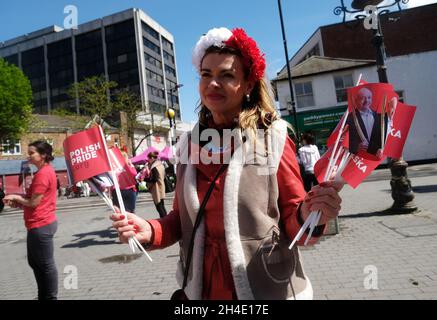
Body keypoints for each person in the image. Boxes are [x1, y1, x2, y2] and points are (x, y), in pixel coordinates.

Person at [111, 27, 342, 300]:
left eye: (227, 75)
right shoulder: (188, 144)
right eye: (206, 75)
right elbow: (182, 220)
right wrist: (151, 229)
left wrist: (311, 213)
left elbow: (294, 225)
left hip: (263, 288)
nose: (213, 83)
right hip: (202, 290)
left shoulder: (273, 138)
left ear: (247, 85)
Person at [3, 140, 58, 300]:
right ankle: (44, 295)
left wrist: (15, 197)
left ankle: (50, 297)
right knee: (35, 263)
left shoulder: (43, 174)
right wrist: (19, 203)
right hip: (38, 223)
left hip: (41, 224)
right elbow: (32, 201)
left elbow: (34, 203)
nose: (28, 156)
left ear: (44, 155)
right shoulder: (44, 172)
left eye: (31, 153)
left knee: (46, 265)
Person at [348, 87, 383, 156]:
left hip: (377, 156)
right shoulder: (350, 118)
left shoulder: (378, 116)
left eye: (369, 97)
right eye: (363, 98)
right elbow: (344, 139)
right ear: (356, 100)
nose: (367, 100)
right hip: (360, 158)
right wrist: (356, 147)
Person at [143, 151, 167, 218]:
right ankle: (166, 219)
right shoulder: (160, 165)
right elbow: (164, 176)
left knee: (159, 206)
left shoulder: (154, 167)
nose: (148, 160)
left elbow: (154, 179)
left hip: (157, 189)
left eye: (149, 159)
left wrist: (144, 179)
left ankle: (164, 221)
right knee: (162, 205)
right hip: (161, 186)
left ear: (152, 158)